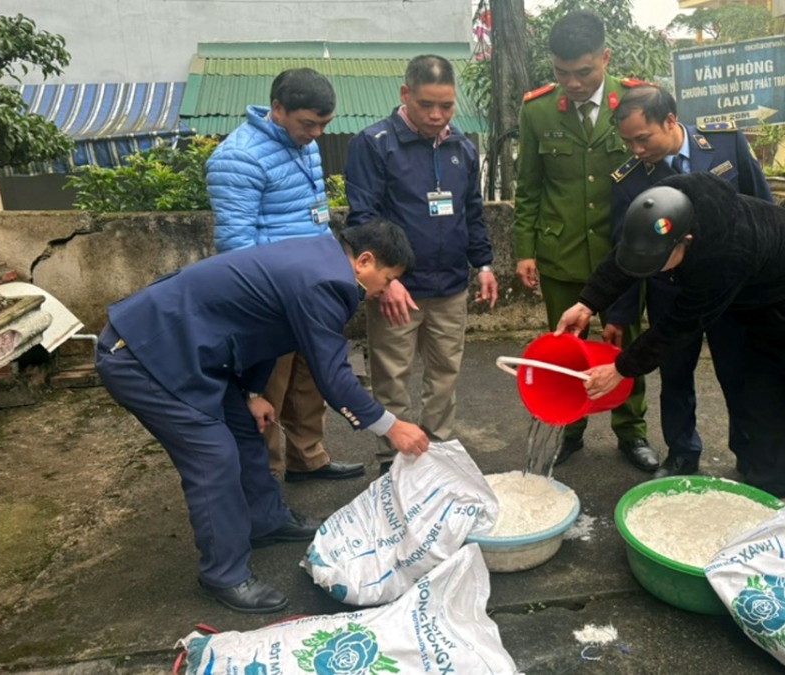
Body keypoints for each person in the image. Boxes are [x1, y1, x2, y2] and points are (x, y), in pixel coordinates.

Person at [556, 173, 785, 594]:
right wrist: (588, 300)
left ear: (687, 240)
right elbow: (630, 253)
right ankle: (771, 508)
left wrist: (622, 368)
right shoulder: (668, 203)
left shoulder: (724, 253)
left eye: (660, 264)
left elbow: (679, 326)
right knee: (763, 414)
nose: (652, 273)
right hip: (764, 314)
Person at [95, 220, 431, 613]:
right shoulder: (326, 282)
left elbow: (268, 328)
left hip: (193, 349)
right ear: (365, 261)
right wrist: (392, 427)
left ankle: (264, 519)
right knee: (212, 458)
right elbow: (333, 377)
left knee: (244, 430)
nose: (381, 292)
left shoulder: (318, 258)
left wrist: (253, 393)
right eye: (386, 279)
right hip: (143, 353)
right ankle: (223, 575)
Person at [512, 9, 658, 471]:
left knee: (624, 344)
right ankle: (569, 428)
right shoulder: (537, 110)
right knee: (564, 345)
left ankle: (631, 430)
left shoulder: (635, 103)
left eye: (583, 72)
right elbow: (529, 187)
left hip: (623, 254)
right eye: (561, 73)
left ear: (605, 58)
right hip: (561, 252)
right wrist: (524, 250)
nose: (572, 83)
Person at [606, 85, 774, 479]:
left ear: (669, 121)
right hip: (672, 294)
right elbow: (626, 250)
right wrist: (618, 314)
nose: (635, 149)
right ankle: (682, 452)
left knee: (739, 374)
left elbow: (764, 211)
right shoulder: (629, 180)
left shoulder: (725, 143)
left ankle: (750, 454)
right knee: (675, 376)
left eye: (642, 138)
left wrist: (764, 290)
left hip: (731, 294)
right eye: (627, 141)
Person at [206, 67, 365, 483]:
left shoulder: (305, 146)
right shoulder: (237, 158)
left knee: (308, 381)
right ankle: (264, 479)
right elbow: (236, 247)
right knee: (266, 390)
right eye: (307, 123)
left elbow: (313, 218)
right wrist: (266, 303)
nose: (315, 133)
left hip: (309, 291)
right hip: (271, 298)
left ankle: (307, 457)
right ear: (277, 109)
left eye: (323, 125)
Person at [344, 55, 497, 474]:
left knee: (444, 376)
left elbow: (472, 210)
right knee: (391, 378)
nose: (436, 115)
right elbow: (363, 218)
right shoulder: (375, 144)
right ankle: (392, 461)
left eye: (446, 106)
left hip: (450, 287)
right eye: (426, 104)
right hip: (399, 290)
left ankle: (438, 456)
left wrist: (483, 265)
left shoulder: (461, 147)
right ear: (405, 94)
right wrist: (385, 283)